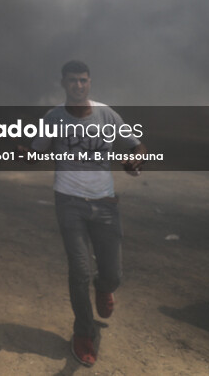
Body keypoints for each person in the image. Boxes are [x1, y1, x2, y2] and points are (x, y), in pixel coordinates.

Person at [28, 60, 147, 368]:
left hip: (106, 204)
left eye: (83, 80)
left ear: (90, 82)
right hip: (69, 204)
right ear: (63, 83)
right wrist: (23, 152)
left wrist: (136, 160)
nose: (78, 86)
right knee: (79, 272)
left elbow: (138, 147)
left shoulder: (107, 114)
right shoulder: (53, 118)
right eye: (72, 81)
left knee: (113, 274)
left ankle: (105, 287)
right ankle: (83, 332)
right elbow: (35, 152)